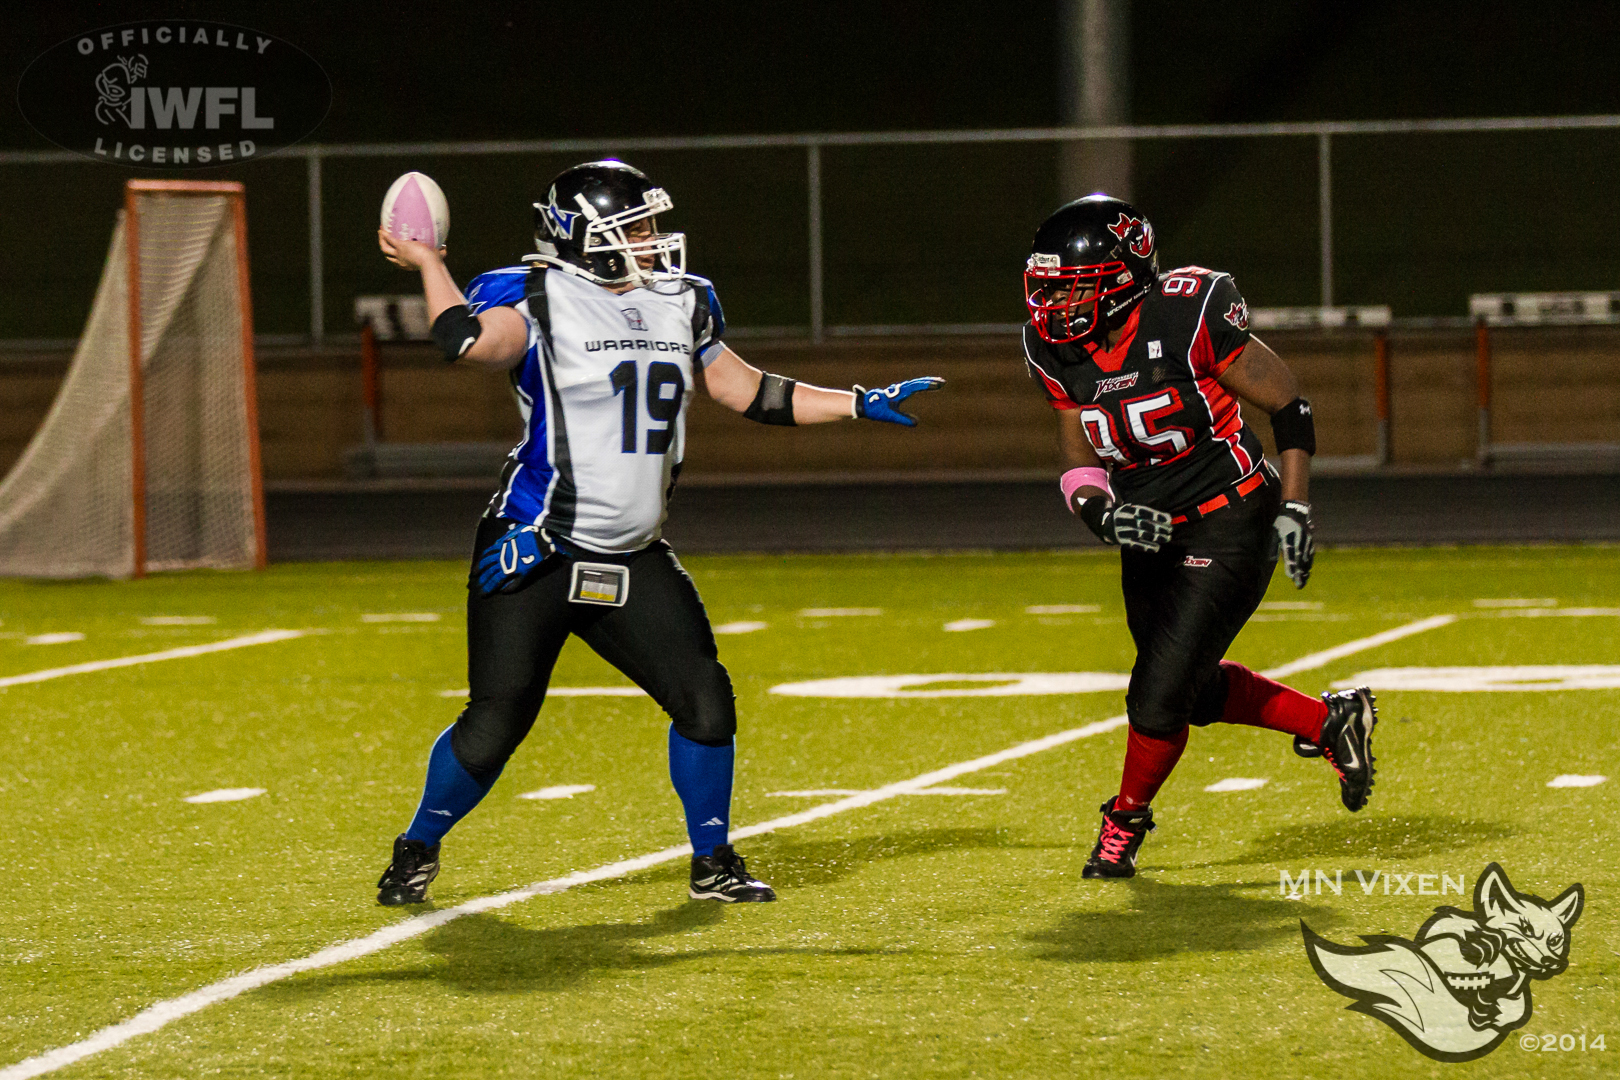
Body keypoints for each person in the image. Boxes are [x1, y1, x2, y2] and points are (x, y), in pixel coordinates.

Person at [373, 160, 942, 905]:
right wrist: (428, 262)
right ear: (581, 237)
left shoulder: (682, 299)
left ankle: (713, 865)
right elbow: (470, 343)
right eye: (632, 229)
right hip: (535, 542)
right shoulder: (538, 291)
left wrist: (858, 403)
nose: (649, 241)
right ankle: (417, 846)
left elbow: (747, 391)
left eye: (648, 226)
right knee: (497, 723)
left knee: (706, 700)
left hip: (633, 553)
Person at [1019, 194, 1377, 879]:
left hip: (1232, 511)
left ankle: (1124, 819)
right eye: (1047, 289)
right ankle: (1328, 722)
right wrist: (1101, 514)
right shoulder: (1052, 347)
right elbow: (1078, 457)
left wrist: (1295, 508)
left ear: (1123, 279)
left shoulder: (1187, 312)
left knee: (1155, 695)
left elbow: (1289, 405)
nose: (1053, 307)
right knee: (1188, 690)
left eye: (1070, 289)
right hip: (1148, 527)